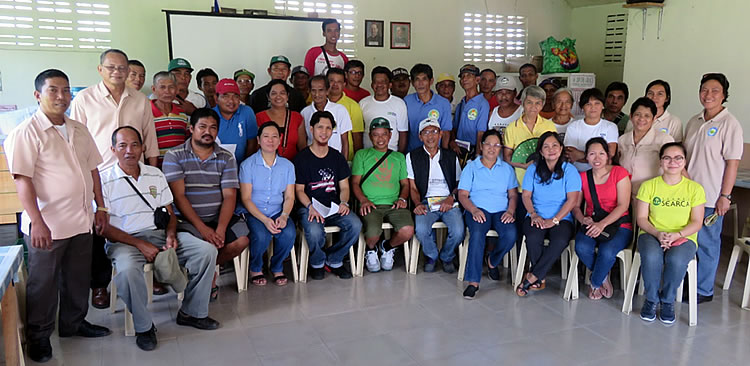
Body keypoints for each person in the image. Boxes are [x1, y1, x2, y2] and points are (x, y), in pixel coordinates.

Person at [5, 69, 111, 363]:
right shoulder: (26, 133)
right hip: (48, 225)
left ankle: (73, 324)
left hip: (80, 220)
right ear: (38, 95)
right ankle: (39, 336)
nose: (61, 97)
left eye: (65, 90)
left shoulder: (79, 129)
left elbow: (93, 171)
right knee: (44, 282)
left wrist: (100, 207)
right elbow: (23, 180)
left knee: (77, 278)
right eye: (53, 90)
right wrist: (36, 222)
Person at [102, 127, 219, 351]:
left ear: (143, 147)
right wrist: (139, 244)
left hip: (159, 234)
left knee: (206, 252)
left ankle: (191, 312)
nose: (129, 151)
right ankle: (144, 327)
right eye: (122, 145)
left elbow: (169, 213)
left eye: (135, 144)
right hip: (124, 241)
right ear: (113, 149)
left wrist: (171, 234)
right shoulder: (104, 180)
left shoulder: (154, 174)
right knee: (127, 271)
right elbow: (103, 228)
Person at [70, 48, 159, 309]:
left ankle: (152, 274)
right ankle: (99, 285)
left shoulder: (140, 99)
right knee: (100, 226)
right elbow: (76, 141)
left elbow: (149, 137)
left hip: (135, 174)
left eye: (122, 68)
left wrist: (152, 172)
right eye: (111, 67)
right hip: (99, 176)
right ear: (100, 70)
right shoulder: (85, 99)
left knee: (141, 223)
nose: (118, 72)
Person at [163, 108, 251, 300]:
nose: (207, 132)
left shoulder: (226, 157)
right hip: (185, 220)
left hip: (218, 217)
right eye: (202, 127)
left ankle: (206, 270)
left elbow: (229, 196)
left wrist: (220, 228)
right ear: (191, 128)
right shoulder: (174, 155)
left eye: (213, 128)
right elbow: (179, 197)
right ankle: (207, 276)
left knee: (242, 240)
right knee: (205, 246)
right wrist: (203, 229)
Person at [684, 73, 743, 303]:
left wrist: (725, 196)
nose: (708, 95)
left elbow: (733, 163)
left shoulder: (730, 124)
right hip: (687, 194)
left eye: (714, 90)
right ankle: (687, 282)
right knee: (688, 240)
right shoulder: (694, 121)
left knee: (708, 243)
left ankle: (703, 290)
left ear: (724, 95)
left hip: (710, 196)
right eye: (704, 90)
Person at [636, 142, 705, 323]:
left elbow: (697, 222)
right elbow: (641, 219)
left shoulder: (695, 189)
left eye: (678, 158)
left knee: (675, 259)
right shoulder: (648, 186)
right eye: (667, 157)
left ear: (684, 162)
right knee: (652, 256)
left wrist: (677, 235)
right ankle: (651, 299)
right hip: (651, 233)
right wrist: (658, 233)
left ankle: (667, 301)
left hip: (684, 236)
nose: (672, 162)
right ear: (660, 162)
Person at [295, 111, 362, 280]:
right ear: (311, 129)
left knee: (355, 225)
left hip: (333, 207)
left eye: (328, 128)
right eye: (320, 127)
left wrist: (344, 203)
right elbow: (299, 190)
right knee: (315, 231)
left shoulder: (337, 157)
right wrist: (310, 207)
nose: (324, 132)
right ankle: (317, 262)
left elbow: (344, 187)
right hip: (309, 207)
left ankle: (334, 259)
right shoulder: (302, 158)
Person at [517, 131, 581, 296]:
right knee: (532, 237)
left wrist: (555, 220)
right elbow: (526, 195)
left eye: (554, 145)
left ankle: (533, 277)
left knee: (560, 240)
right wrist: (533, 214)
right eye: (546, 146)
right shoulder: (533, 169)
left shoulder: (570, 170)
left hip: (562, 218)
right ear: (541, 152)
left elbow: (572, 200)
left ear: (561, 149)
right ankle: (540, 277)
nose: (551, 149)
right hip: (535, 215)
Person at [457, 130, 518, 299]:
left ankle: (493, 261)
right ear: (482, 146)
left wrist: (510, 211)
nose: (492, 148)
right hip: (477, 208)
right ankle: (473, 282)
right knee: (477, 234)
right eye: (488, 144)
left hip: (501, 210)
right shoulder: (471, 167)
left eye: (496, 145)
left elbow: (513, 195)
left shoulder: (507, 169)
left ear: (500, 148)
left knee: (511, 234)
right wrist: (474, 210)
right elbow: (462, 195)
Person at [571, 138, 633, 300]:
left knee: (607, 251)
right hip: (592, 223)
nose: (596, 158)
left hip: (619, 224)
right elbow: (576, 207)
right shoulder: (583, 177)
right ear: (586, 157)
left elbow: (623, 205)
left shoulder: (619, 173)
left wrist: (602, 224)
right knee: (582, 247)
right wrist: (583, 219)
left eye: (601, 154)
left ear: (607, 156)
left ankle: (596, 283)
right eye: (592, 154)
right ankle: (604, 276)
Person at [352, 118, 414, 272]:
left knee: (407, 230)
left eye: (384, 134)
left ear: (390, 135)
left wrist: (402, 198)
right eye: (376, 135)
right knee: (372, 233)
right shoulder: (361, 155)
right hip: (371, 205)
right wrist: (363, 200)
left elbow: (405, 184)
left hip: (394, 204)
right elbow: (354, 183)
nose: (380, 139)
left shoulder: (399, 157)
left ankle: (387, 246)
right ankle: (371, 249)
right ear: (370, 136)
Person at [239, 121, 297, 286]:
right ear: (258, 140)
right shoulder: (247, 165)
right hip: (254, 212)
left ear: (280, 140)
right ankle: (256, 267)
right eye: (266, 136)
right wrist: (264, 220)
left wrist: (284, 216)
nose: (270, 140)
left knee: (288, 233)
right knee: (261, 236)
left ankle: (277, 266)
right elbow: (246, 198)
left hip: (278, 210)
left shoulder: (287, 166)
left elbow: (289, 197)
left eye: (274, 137)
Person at [407, 118, 464, 273]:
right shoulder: (412, 156)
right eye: (426, 132)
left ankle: (446, 256)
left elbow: (459, 184)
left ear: (441, 134)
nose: (430, 136)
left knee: (459, 231)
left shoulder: (450, 156)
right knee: (421, 229)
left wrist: (451, 198)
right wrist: (418, 203)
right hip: (425, 201)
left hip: (448, 200)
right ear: (420, 136)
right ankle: (431, 255)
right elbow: (412, 186)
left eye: (434, 131)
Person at [618, 97, 674, 201]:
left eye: (647, 116)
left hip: (653, 196)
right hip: (625, 195)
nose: (641, 119)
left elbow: (674, 168)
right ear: (631, 116)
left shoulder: (664, 140)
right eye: (637, 115)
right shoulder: (622, 140)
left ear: (654, 119)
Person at [564, 88, 618, 172]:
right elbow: (570, 155)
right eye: (588, 104)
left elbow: (610, 154)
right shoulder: (573, 127)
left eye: (597, 103)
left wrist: (581, 155)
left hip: (602, 175)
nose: (593, 107)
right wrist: (599, 158)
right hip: (578, 173)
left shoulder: (610, 127)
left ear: (603, 105)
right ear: (582, 107)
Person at [359, 66, 409, 153]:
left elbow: (403, 133)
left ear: (390, 84)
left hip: (392, 155)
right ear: (372, 84)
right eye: (376, 82)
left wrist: (400, 155)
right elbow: (359, 133)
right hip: (368, 155)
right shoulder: (363, 103)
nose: (379, 85)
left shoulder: (399, 103)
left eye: (383, 82)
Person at [254, 79, 307, 161]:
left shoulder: (297, 117)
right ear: (268, 96)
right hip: (266, 165)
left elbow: (302, 147)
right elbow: (255, 147)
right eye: (274, 93)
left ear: (287, 96)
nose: (278, 96)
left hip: (293, 165)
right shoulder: (259, 117)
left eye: (282, 93)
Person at [301, 75, 353, 158]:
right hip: (312, 159)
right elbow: (304, 140)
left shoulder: (340, 110)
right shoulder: (305, 113)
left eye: (321, 90)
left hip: (335, 160)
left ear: (328, 91)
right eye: (313, 90)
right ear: (309, 91)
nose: (317, 94)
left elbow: (345, 141)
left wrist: (344, 163)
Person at [404, 63, 452, 152]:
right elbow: (404, 131)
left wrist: (444, 155)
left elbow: (445, 132)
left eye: (424, 79)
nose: (420, 83)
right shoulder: (406, 101)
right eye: (417, 79)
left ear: (431, 81)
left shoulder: (443, 103)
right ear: (412, 83)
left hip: (435, 154)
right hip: (412, 152)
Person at [212, 78, 258, 164]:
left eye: (235, 96)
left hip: (241, 166)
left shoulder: (247, 112)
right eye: (225, 96)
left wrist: (244, 167)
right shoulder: (210, 115)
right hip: (214, 168)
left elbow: (252, 143)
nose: (231, 101)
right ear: (216, 98)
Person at [450, 64, 490, 161]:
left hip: (472, 150)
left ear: (477, 80)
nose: (464, 79)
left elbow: (481, 132)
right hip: (458, 149)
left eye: (468, 76)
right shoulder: (461, 103)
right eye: (462, 77)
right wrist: (452, 141)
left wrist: (477, 156)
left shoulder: (482, 104)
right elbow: (454, 128)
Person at [150, 71, 189, 167]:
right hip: (156, 168)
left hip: (180, 167)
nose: (167, 91)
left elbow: (187, 139)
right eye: (162, 87)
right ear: (154, 89)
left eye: (171, 87)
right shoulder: (146, 112)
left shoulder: (182, 112)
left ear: (176, 90)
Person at [327, 67, 365, 160]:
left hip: (346, 158)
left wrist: (357, 160)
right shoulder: (318, 103)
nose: (335, 84)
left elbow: (357, 137)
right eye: (331, 81)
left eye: (339, 82)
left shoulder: (353, 105)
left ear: (344, 84)